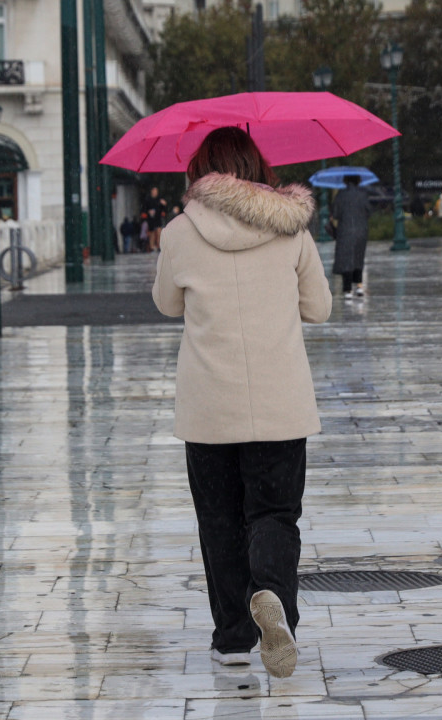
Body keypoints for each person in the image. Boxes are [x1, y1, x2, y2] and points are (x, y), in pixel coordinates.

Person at [152, 126, 332, 679]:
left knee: (219, 521)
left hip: (209, 407)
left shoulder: (180, 232)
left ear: (201, 172)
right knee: (275, 514)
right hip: (280, 403)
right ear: (258, 166)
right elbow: (320, 308)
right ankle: (273, 596)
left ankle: (232, 639)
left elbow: (164, 303)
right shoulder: (291, 230)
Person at [331, 175, 371, 298]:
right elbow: (369, 211)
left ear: (345, 180)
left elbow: (336, 214)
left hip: (345, 231)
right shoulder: (363, 194)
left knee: (346, 259)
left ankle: (347, 289)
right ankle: (359, 285)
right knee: (358, 257)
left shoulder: (341, 195)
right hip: (361, 231)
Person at [143, 187, 168, 251]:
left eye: (156, 191)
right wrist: (148, 212)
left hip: (158, 218)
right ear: (151, 191)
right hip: (151, 218)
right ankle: (152, 247)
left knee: (159, 231)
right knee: (152, 233)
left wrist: (164, 205)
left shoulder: (159, 199)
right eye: (154, 191)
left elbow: (164, 209)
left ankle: (159, 246)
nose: (155, 192)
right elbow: (144, 209)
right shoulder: (147, 199)